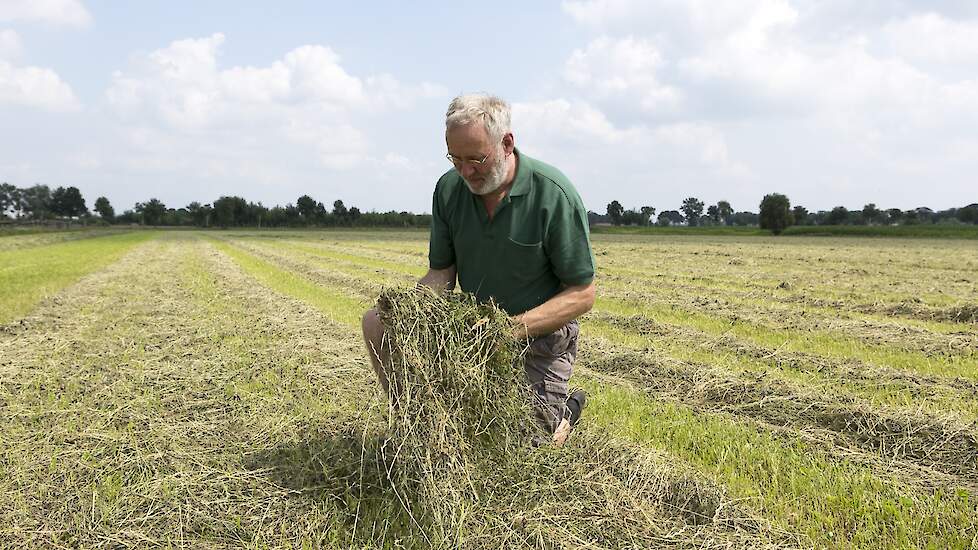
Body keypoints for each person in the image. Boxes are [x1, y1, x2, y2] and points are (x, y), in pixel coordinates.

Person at [361, 93, 596, 446]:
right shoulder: (448, 189)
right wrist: (407, 310)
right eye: (455, 158)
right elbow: (442, 274)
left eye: (476, 159)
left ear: (507, 143)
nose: (465, 171)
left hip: (539, 339)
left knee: (522, 448)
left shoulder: (554, 195)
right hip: (471, 332)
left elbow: (582, 294)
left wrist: (509, 330)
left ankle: (563, 414)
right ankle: (414, 425)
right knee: (377, 322)